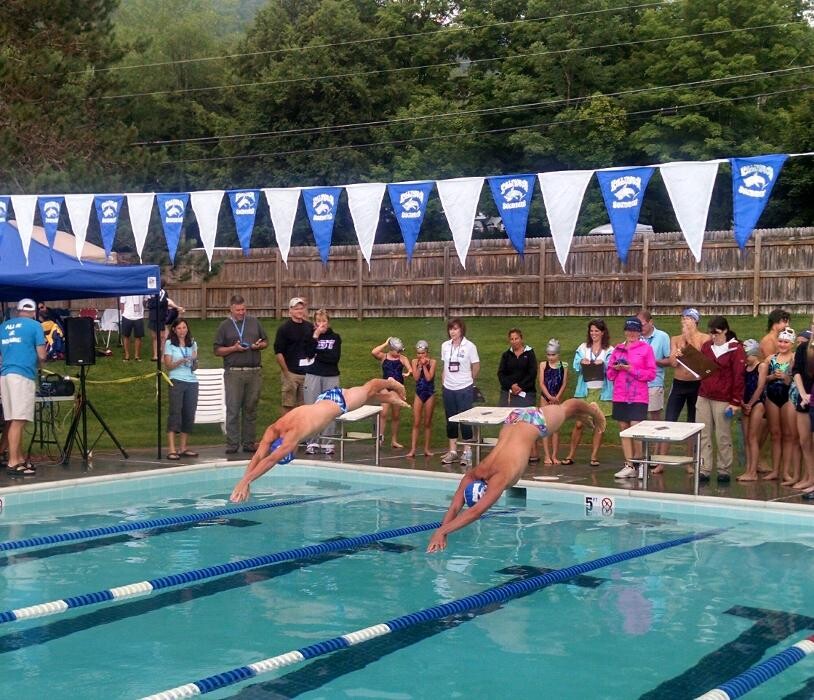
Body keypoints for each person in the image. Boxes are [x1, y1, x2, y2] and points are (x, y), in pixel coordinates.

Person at [426, 400, 606, 552]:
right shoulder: (475, 473)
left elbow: (476, 511)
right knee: (565, 411)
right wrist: (442, 531)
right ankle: (581, 415)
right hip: (514, 418)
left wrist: (442, 532)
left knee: (567, 407)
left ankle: (594, 412)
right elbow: (455, 506)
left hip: (534, 422)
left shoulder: (499, 478)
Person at [230, 378, 409, 502]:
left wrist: (245, 482)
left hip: (338, 404)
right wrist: (245, 481)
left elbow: (269, 460)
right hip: (322, 400)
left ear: (286, 449)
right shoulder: (274, 429)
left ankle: (391, 384)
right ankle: (388, 397)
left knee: (368, 388)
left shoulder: (292, 438)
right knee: (363, 397)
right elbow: (259, 456)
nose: (294, 452)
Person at [213, 294, 269, 454]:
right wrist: (233, 349)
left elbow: (265, 341)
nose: (241, 312)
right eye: (238, 310)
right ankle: (232, 444)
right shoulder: (224, 326)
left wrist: (259, 345)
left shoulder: (254, 322)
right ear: (231, 309)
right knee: (233, 409)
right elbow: (217, 350)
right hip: (234, 373)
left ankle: (249, 443)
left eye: (243, 309)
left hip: (254, 371)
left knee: (251, 408)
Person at [695, 316, 746, 483]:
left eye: (716, 333)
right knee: (703, 433)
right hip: (704, 395)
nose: (713, 336)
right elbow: (701, 369)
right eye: (711, 333)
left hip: (723, 397)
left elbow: (739, 376)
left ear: (724, 330)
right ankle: (704, 468)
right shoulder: (706, 346)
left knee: (722, 434)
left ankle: (724, 469)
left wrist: (735, 401)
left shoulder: (735, 348)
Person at [1, 299, 46, 476]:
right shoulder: (35, 326)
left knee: (13, 419)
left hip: (5, 375)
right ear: (34, 312)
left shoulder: (3, 326)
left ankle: (19, 458)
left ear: (18, 310)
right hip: (22, 375)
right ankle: (13, 462)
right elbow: (41, 355)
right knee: (19, 420)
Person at [607, 317, 657, 479]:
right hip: (621, 394)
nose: (631, 333)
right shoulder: (618, 349)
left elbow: (651, 374)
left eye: (635, 330)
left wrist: (631, 369)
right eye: (629, 330)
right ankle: (629, 465)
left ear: (639, 332)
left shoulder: (646, 349)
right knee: (624, 429)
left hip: (638, 396)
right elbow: (609, 374)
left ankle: (641, 462)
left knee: (636, 428)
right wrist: (616, 368)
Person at [563, 318, 613, 466]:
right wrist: (581, 362)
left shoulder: (610, 350)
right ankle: (571, 454)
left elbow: (612, 369)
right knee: (579, 423)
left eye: (596, 331)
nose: (593, 333)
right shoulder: (583, 347)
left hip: (602, 392)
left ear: (603, 332)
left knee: (599, 424)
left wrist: (603, 364)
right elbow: (575, 366)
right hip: (585, 391)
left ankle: (594, 456)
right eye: (591, 331)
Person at [637, 310, 674, 472]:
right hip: (637, 383)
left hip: (654, 382)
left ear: (651, 322)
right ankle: (642, 455)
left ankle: (656, 455)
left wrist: (653, 361)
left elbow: (669, 360)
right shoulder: (636, 337)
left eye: (643, 325)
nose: (640, 328)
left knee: (655, 420)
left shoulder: (662, 337)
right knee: (639, 420)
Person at [440, 318, 480, 465]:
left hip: (464, 388)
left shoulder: (470, 346)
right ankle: (452, 451)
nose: (453, 332)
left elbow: (476, 365)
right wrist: (444, 383)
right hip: (449, 388)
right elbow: (445, 366)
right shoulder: (445, 346)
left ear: (461, 330)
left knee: (465, 420)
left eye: (455, 329)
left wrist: (469, 380)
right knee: (451, 420)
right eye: (451, 329)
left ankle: (467, 451)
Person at [761, 327, 799, 483]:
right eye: (780, 341)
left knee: (788, 435)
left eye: (786, 342)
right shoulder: (770, 358)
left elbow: (797, 380)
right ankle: (775, 470)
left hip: (787, 397)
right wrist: (771, 376)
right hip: (772, 396)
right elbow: (761, 380)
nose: (782, 344)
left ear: (792, 343)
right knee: (775, 434)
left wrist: (785, 377)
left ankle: (786, 471)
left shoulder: (795, 358)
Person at [303, 308, 342, 455]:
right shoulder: (310, 336)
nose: (321, 324)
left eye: (324, 321)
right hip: (313, 374)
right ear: (315, 323)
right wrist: (315, 336)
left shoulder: (335, 337)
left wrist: (318, 354)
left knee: (330, 409)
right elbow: (308, 353)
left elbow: (334, 358)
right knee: (312, 408)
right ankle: (312, 442)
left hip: (331, 375)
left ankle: (328, 442)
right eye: (319, 321)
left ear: (328, 322)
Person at [666, 308, 709, 425]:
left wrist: (688, 338)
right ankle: (665, 442)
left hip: (696, 384)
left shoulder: (704, 338)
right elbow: (673, 363)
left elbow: (701, 365)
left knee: (693, 422)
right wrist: (678, 355)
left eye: (689, 318)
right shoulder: (675, 339)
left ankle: (693, 444)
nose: (685, 321)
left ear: (696, 321)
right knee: (669, 419)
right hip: (679, 383)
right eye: (684, 318)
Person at [163, 319, 199, 460]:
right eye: (179, 328)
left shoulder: (193, 344)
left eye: (184, 328)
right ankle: (171, 449)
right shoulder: (169, 344)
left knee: (189, 413)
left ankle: (183, 447)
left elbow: (195, 367)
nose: (182, 331)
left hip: (191, 381)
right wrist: (180, 361)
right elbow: (168, 366)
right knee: (175, 413)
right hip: (176, 380)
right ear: (174, 330)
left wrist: (194, 361)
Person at [273, 297, 313, 414]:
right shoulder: (284, 329)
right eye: (296, 309)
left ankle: (302, 431)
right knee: (288, 405)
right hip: (291, 373)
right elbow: (278, 352)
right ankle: (285, 430)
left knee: (304, 406)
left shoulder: (309, 327)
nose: (299, 311)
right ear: (290, 311)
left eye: (301, 308)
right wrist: (286, 373)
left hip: (307, 374)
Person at [371, 336, 412, 448]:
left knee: (396, 415)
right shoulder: (384, 356)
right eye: (397, 351)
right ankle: (380, 437)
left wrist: (408, 373)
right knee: (383, 413)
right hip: (386, 387)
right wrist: (385, 343)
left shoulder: (402, 358)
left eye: (400, 351)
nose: (399, 353)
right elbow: (374, 352)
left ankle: (394, 440)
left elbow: (410, 369)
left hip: (397, 388)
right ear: (391, 349)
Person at [790, 327, 814, 490]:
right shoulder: (803, 348)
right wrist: (803, 393)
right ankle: (810, 477)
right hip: (804, 396)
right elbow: (796, 371)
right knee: (804, 440)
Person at [740, 339, 767, 482]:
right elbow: (740, 386)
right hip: (745, 404)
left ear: (755, 353)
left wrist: (750, 404)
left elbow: (760, 387)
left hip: (757, 403)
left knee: (753, 437)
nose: (745, 359)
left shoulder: (761, 366)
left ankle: (753, 472)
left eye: (747, 356)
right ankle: (748, 469)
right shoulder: (745, 368)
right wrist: (743, 403)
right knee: (746, 439)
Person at [538, 338, 568, 465]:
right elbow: (541, 383)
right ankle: (547, 455)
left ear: (558, 354)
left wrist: (557, 397)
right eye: (548, 355)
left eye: (553, 355)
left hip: (557, 398)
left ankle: (554, 455)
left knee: (555, 429)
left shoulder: (564, 365)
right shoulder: (543, 365)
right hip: (545, 398)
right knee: (545, 428)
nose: (550, 357)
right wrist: (549, 396)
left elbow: (564, 383)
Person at [407, 339, 437, 458]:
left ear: (427, 353)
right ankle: (413, 449)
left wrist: (425, 366)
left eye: (423, 353)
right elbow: (415, 377)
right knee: (416, 422)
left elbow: (429, 378)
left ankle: (426, 449)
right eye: (419, 353)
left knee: (427, 422)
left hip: (429, 393)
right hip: (419, 393)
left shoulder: (433, 362)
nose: (421, 355)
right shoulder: (414, 361)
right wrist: (419, 366)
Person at [497, 328, 537, 408]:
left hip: (526, 392)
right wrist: (511, 386)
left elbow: (532, 373)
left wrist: (520, 386)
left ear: (521, 339)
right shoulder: (506, 355)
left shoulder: (530, 354)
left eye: (516, 338)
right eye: (512, 339)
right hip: (508, 392)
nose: (514, 341)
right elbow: (501, 374)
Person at [146, 288, 183, 362]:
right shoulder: (150, 292)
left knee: (163, 338)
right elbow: (147, 304)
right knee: (155, 337)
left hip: (162, 318)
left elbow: (168, 302)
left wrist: (177, 307)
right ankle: (155, 356)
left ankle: (163, 357)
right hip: (153, 318)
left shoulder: (163, 292)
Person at [119, 294, 145, 362]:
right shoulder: (126, 290)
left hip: (139, 317)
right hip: (127, 316)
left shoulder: (141, 289)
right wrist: (123, 313)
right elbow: (122, 303)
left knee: (138, 337)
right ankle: (127, 355)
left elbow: (145, 300)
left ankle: (137, 356)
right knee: (126, 336)